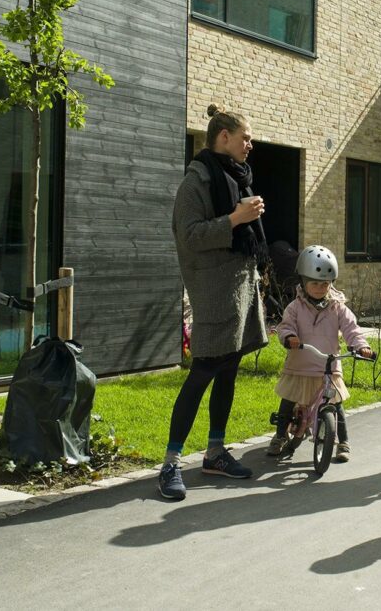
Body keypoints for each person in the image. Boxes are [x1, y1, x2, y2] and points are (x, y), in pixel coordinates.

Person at [161, 104, 269, 501]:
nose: (250, 145)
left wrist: (246, 220)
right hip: (212, 292)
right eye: (245, 138)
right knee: (202, 374)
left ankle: (215, 452)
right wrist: (236, 220)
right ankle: (170, 462)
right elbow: (188, 236)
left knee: (228, 371)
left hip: (239, 287)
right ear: (224, 137)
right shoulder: (196, 183)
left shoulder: (235, 176)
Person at [268, 245, 373, 462]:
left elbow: (351, 329)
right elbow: (285, 326)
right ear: (303, 282)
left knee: (336, 405)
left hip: (329, 367)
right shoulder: (295, 307)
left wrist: (361, 345)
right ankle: (279, 436)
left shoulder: (338, 308)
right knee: (288, 401)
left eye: (325, 283)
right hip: (300, 366)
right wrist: (289, 338)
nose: (319, 288)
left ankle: (343, 442)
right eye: (314, 283)